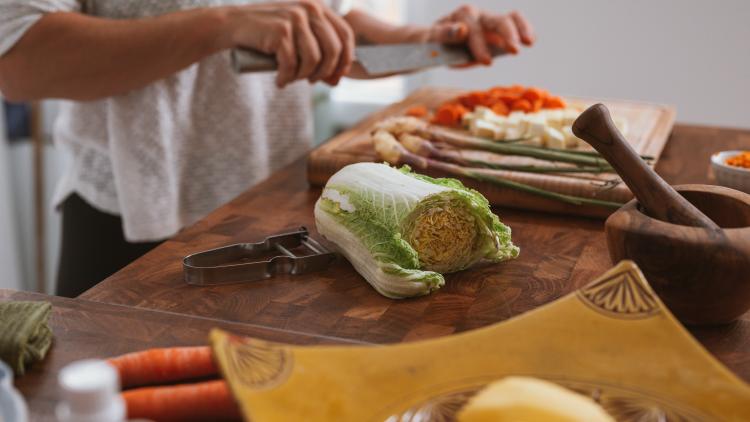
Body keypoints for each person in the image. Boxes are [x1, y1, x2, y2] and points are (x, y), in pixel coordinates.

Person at [0, 1, 535, 297]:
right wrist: (224, 23)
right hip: (124, 227)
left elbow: (329, 28)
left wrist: (434, 37)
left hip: (277, 217)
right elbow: (18, 58)